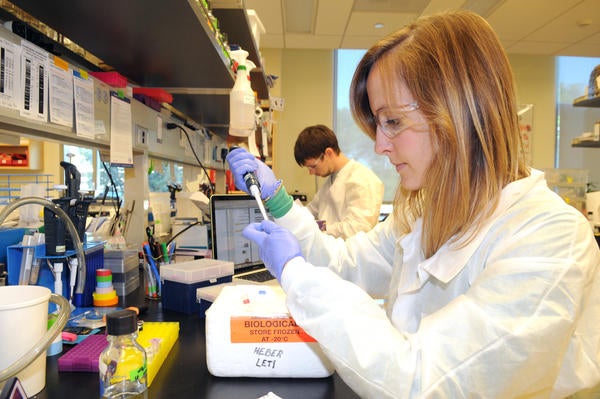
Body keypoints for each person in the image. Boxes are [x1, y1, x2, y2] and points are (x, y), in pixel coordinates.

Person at [226, 10, 600, 399]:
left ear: (458, 112)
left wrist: (297, 275)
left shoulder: (550, 240)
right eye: (378, 124)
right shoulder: (425, 213)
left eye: (393, 122)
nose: (379, 146)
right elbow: (343, 266)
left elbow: (422, 382)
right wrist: (280, 203)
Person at [293, 124, 384, 238]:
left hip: (351, 254)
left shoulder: (362, 179)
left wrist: (320, 227)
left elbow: (357, 229)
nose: (311, 173)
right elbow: (310, 210)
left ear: (329, 153)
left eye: (313, 166)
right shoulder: (332, 180)